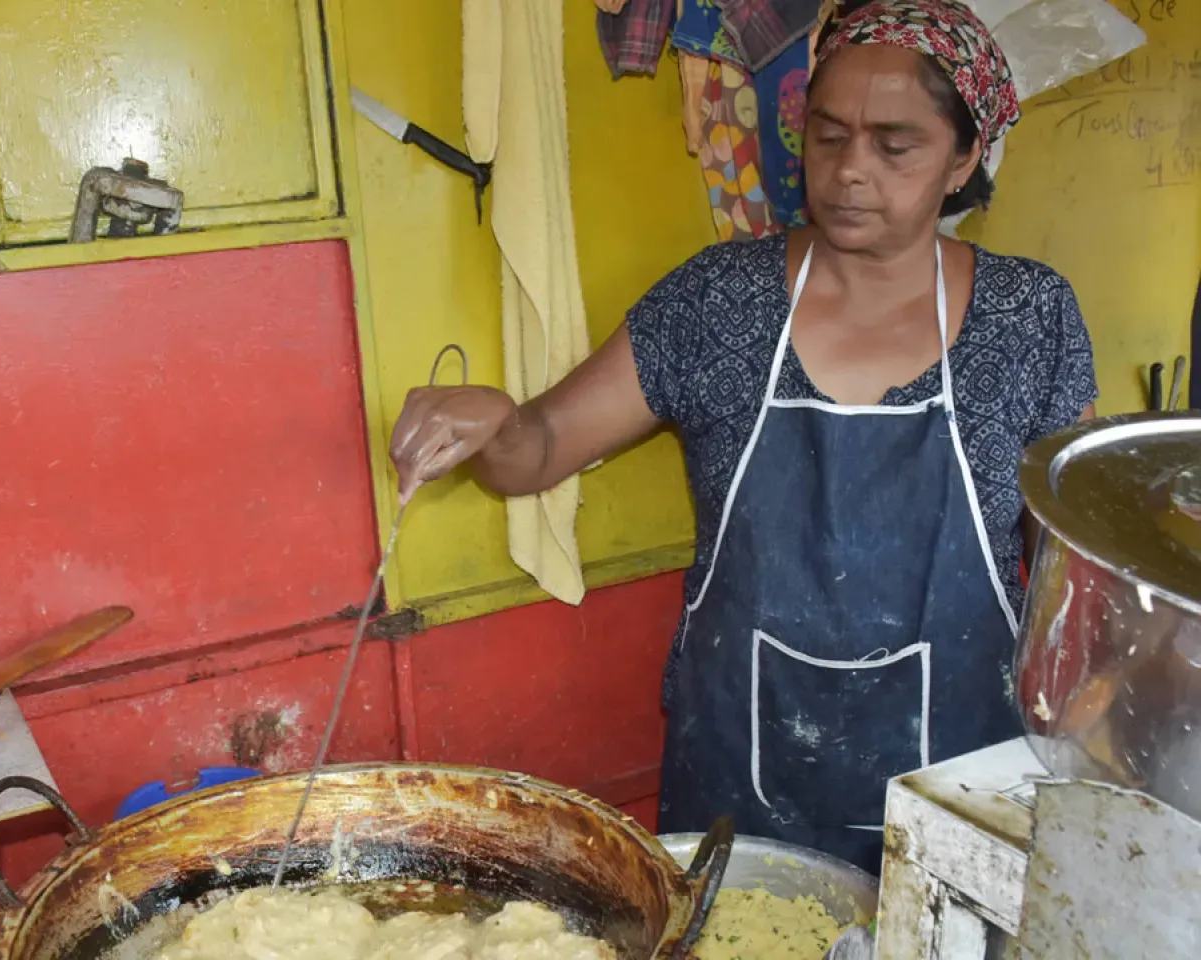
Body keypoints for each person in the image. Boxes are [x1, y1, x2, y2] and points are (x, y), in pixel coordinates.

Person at [388, 0, 1097, 873]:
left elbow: (1073, 577)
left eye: (895, 145)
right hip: (742, 780)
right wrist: (493, 418)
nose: (848, 172)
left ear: (962, 160)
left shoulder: (1031, 316)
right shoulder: (720, 301)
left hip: (961, 792)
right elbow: (536, 449)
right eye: (828, 136)